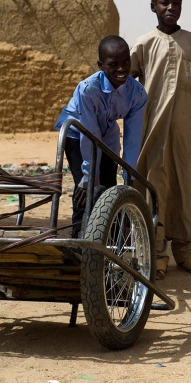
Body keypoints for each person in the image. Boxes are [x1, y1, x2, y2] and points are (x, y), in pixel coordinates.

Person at [130, 0, 191, 279]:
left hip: (186, 134)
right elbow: (127, 81)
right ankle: (158, 251)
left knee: (186, 189)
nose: (170, 8)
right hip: (155, 134)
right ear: (154, 6)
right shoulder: (143, 44)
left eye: (176, 3)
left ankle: (185, 252)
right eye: (164, 3)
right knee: (157, 188)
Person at [55, 36, 147, 238]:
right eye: (113, 65)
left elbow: (132, 138)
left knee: (108, 186)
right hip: (77, 132)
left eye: (125, 63)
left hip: (106, 131)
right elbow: (89, 133)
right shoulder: (88, 89)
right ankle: (79, 234)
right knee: (86, 188)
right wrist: (89, 174)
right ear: (100, 65)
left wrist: (129, 175)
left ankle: (110, 238)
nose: (121, 69)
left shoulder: (137, 93)